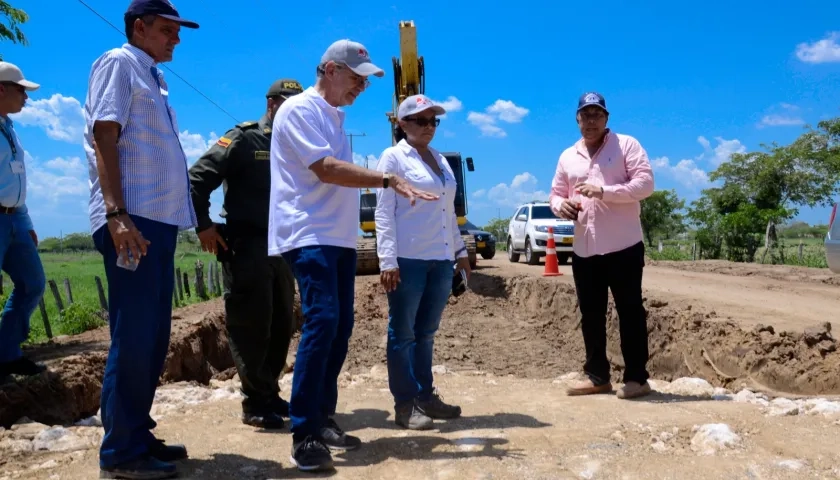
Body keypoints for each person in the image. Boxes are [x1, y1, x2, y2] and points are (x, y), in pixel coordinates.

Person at [268, 39, 439, 472]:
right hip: (307, 233)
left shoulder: (334, 116)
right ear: (328, 69)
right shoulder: (300, 110)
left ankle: (323, 416)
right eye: (356, 76)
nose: (362, 86)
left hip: (338, 238)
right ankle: (304, 432)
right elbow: (324, 169)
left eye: (366, 79)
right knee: (323, 322)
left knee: (340, 327)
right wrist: (387, 180)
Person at [82, 1, 200, 478]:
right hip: (132, 223)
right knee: (133, 336)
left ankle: (135, 432)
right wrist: (116, 214)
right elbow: (104, 135)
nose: (176, 38)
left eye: (178, 30)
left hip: (157, 222)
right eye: (168, 29)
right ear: (140, 27)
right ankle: (122, 454)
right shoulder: (119, 62)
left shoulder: (152, 76)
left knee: (152, 337)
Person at [188, 78, 304, 430]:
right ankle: (254, 402)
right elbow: (196, 179)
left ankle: (269, 393)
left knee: (281, 323)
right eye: (288, 104)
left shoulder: (297, 145)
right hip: (248, 244)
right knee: (251, 325)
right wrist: (204, 225)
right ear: (272, 104)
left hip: (284, 246)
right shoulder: (244, 137)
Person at [548, 92, 655, 400]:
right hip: (585, 247)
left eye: (597, 114)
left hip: (623, 245)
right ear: (577, 120)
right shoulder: (568, 155)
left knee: (630, 311)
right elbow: (555, 193)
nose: (591, 120)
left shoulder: (627, 146)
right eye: (585, 115)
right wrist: (561, 206)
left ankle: (637, 378)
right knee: (591, 313)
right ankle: (597, 376)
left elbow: (645, 185)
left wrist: (603, 191)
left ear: (607, 118)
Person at [374, 94, 469, 430]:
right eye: (421, 120)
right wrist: (387, 260)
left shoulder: (440, 161)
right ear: (402, 124)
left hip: (440, 260)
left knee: (426, 333)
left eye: (433, 121)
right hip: (408, 258)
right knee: (403, 333)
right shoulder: (393, 157)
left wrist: (460, 251)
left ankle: (426, 396)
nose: (429, 127)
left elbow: (447, 211)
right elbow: (383, 212)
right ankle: (405, 404)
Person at [0, 62, 46, 379]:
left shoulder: (9, 129)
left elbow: (15, 180)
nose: (25, 98)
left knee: (33, 283)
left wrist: (26, 222)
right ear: (1, 89)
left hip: (14, 219)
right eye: (21, 91)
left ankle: (7, 355)